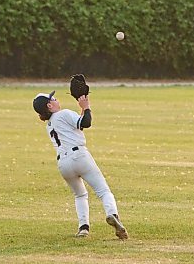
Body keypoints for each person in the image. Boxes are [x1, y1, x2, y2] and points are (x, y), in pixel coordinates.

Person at [32, 87, 128, 240]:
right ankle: (112, 214)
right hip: (80, 156)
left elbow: (79, 125)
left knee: (80, 195)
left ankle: (83, 228)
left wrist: (82, 108)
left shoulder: (50, 124)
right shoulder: (63, 114)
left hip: (63, 164)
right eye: (53, 99)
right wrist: (86, 107)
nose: (56, 100)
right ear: (49, 106)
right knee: (103, 191)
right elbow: (86, 123)